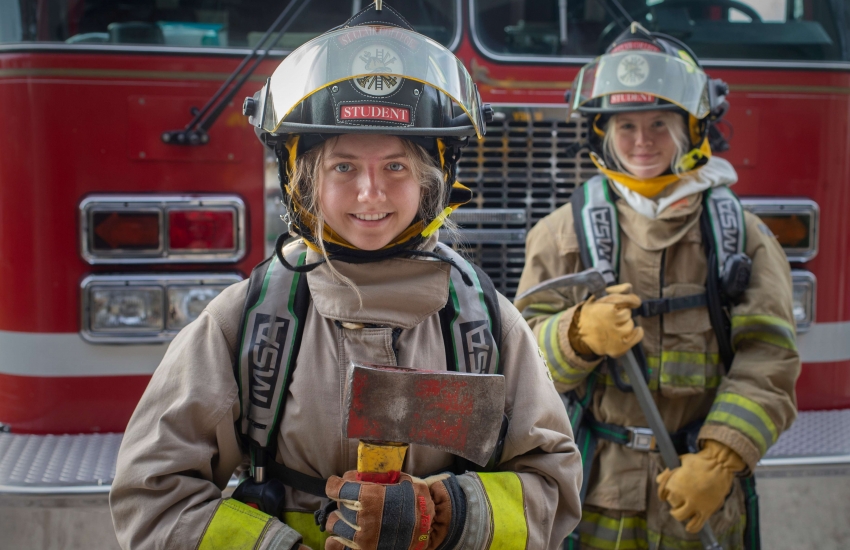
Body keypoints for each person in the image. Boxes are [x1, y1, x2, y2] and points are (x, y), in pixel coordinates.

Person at [109, 4, 582, 550]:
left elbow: (554, 486)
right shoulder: (245, 320)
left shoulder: (487, 322)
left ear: (433, 182)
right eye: (344, 166)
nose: (370, 193)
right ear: (301, 180)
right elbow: (153, 496)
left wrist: (447, 514)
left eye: (396, 167)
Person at [515, 24, 800, 550]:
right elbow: (522, 365)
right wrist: (575, 334)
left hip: (700, 495)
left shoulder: (741, 236)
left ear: (693, 130)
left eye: (660, 124)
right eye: (626, 126)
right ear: (602, 134)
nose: (642, 141)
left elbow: (770, 360)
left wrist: (721, 460)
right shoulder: (562, 233)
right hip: (598, 493)